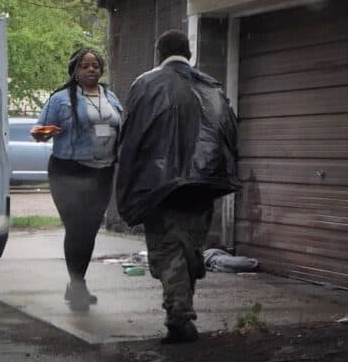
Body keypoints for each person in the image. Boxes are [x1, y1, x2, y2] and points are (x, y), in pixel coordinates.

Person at [116, 30, 240, 344]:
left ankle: (180, 319)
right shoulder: (211, 86)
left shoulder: (145, 84)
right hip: (203, 182)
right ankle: (187, 288)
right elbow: (229, 132)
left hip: (162, 183)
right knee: (189, 245)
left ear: (159, 53)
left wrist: (129, 185)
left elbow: (132, 138)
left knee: (169, 250)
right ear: (189, 53)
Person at [32, 47, 123, 312]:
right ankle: (78, 283)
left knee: (91, 228)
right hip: (69, 171)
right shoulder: (60, 99)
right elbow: (39, 132)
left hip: (103, 171)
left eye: (95, 65)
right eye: (85, 65)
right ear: (75, 70)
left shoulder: (111, 97)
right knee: (76, 228)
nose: (91, 69)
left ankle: (77, 283)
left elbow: (119, 127)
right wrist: (51, 130)